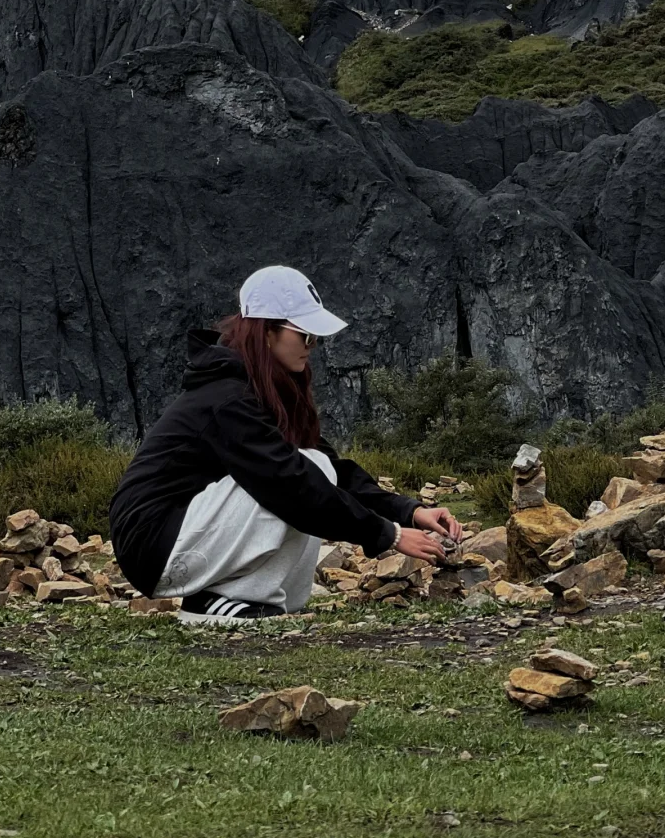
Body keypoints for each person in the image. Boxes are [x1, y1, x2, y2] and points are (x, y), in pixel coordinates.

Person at [109, 264, 463, 625]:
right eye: (305, 335)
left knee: (314, 469)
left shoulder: (264, 391)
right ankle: (211, 604)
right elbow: (291, 482)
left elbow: (333, 471)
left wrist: (408, 511)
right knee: (299, 477)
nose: (313, 346)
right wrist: (388, 535)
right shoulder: (227, 399)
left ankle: (246, 600)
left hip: (181, 535)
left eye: (316, 337)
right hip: (154, 548)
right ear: (266, 334)